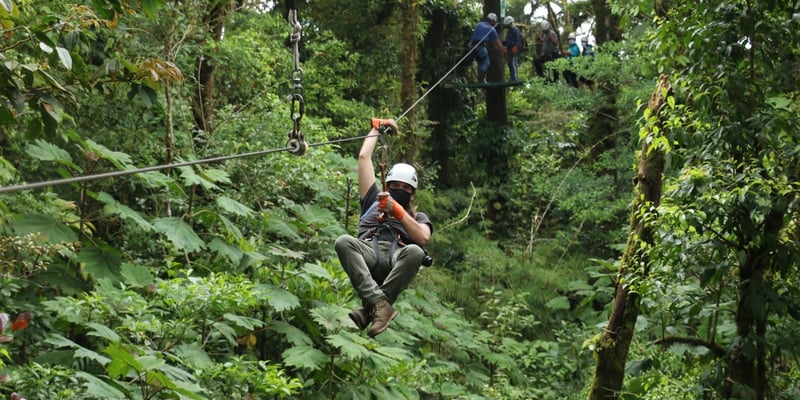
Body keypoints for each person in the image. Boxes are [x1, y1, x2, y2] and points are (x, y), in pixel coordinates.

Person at [335, 118, 433, 337]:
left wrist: (397, 210)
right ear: (386, 186)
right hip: (370, 251)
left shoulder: (417, 216)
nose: (399, 189)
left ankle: (370, 310)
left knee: (416, 251)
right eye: (394, 186)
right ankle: (380, 306)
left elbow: (423, 238)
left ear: (412, 193)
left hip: (395, 259)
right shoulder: (372, 200)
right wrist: (376, 128)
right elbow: (363, 158)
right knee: (343, 241)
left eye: (404, 188)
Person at [469, 12, 505, 83]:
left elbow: (475, 35)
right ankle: (481, 80)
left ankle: (480, 80)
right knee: (486, 62)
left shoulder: (479, 24)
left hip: (472, 46)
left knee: (480, 62)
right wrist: (503, 51)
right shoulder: (492, 29)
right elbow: (498, 43)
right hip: (480, 46)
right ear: (493, 21)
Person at [502, 16, 523, 81]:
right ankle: (512, 77)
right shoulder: (510, 30)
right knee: (510, 63)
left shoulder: (515, 29)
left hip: (513, 48)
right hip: (509, 48)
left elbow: (518, 40)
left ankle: (514, 78)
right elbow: (509, 40)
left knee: (513, 62)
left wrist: (515, 47)